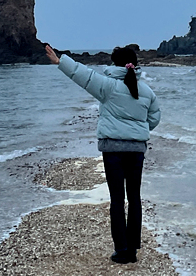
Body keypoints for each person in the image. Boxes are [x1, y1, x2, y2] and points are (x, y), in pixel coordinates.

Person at [45, 43, 160, 264]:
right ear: (135, 65)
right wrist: (139, 132)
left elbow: (85, 76)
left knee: (117, 199)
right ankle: (133, 251)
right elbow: (154, 118)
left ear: (114, 64)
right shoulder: (146, 90)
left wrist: (61, 62)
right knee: (134, 198)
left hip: (113, 151)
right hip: (136, 151)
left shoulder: (108, 86)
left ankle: (121, 249)